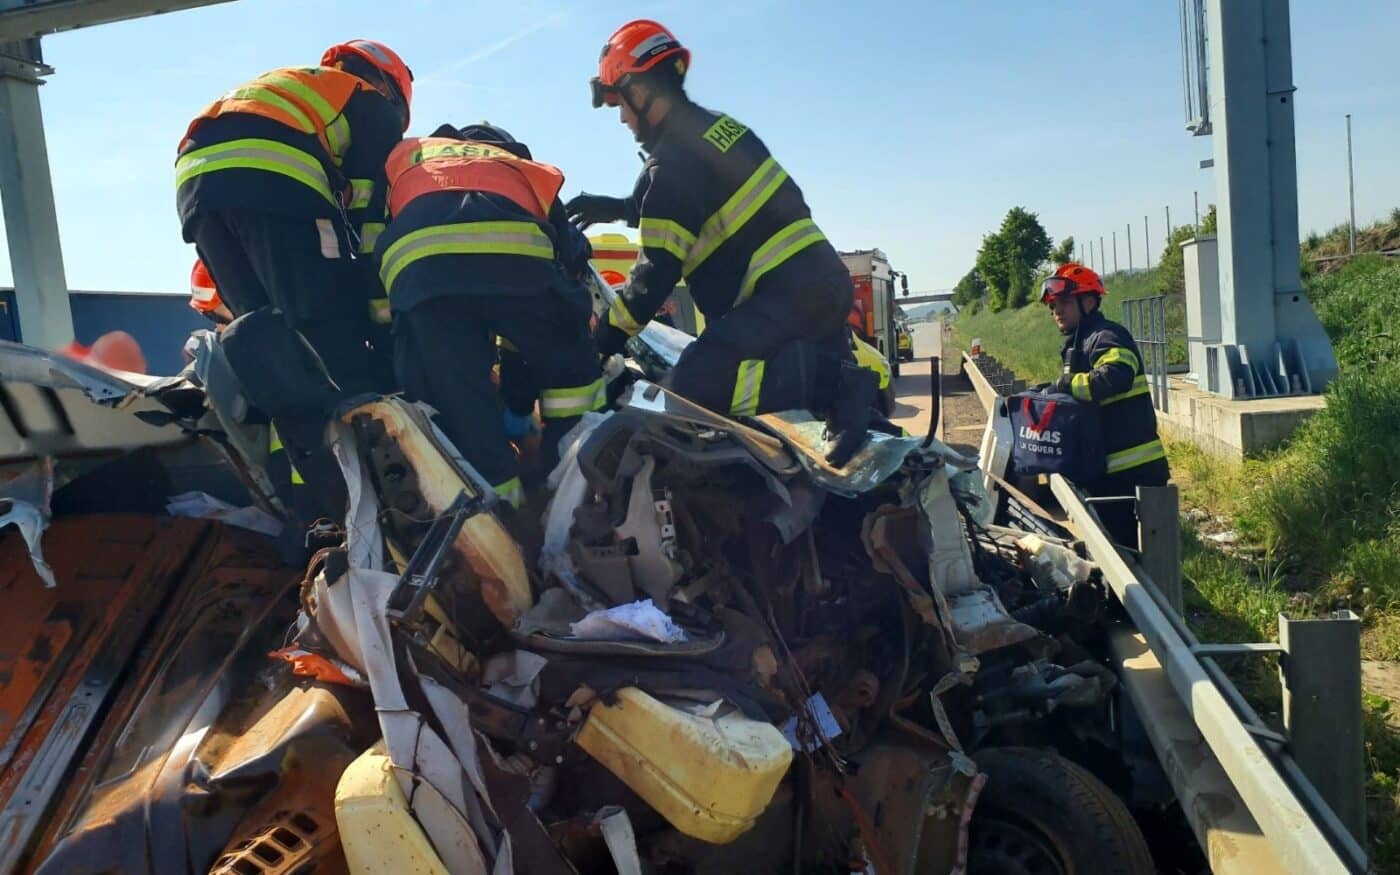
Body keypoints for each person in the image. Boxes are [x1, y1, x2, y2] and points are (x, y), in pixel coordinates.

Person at [567, 19, 878, 466]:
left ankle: (838, 385)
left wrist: (604, 340)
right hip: (819, 288)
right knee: (824, 452)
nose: (621, 116)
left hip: (781, 299)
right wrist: (619, 207)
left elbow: (653, 279)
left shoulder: (670, 170)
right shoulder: (719, 129)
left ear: (641, 91)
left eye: (620, 101)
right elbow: (692, 198)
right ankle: (839, 395)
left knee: (692, 386)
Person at [175, 39, 412, 520]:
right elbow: (370, 220)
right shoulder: (369, 104)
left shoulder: (298, 90)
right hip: (275, 180)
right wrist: (378, 314)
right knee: (325, 332)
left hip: (195, 185)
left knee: (271, 346)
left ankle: (310, 502)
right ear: (391, 88)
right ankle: (373, 489)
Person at [378, 123, 604, 510]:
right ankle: (579, 489)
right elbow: (560, 289)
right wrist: (521, 405)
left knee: (463, 407)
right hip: (518, 259)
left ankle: (503, 522)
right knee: (571, 380)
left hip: (419, 270)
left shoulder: (412, 160)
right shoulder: (519, 166)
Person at [1040, 263, 1169, 545]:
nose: (1056, 311)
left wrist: (1065, 385)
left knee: (1130, 557)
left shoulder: (1106, 335)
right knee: (1114, 549)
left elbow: (1115, 376)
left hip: (1131, 472)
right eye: (1052, 306)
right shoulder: (1080, 342)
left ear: (1088, 302)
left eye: (1062, 302)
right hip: (1106, 469)